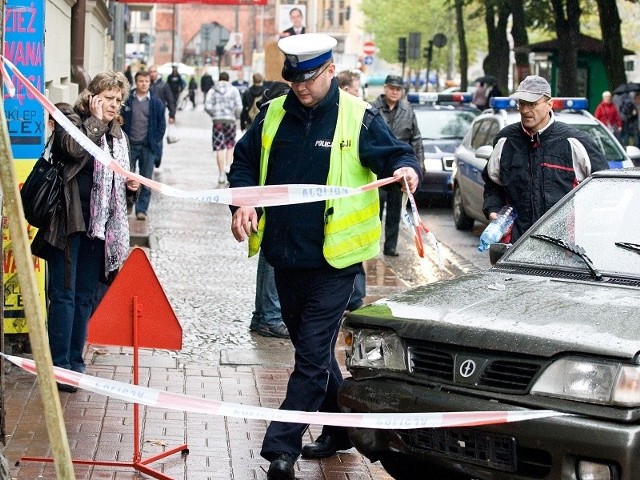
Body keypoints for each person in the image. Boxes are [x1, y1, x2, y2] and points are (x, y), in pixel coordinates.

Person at [228, 33, 421, 480]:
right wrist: (242, 202)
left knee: (311, 357)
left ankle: (280, 448)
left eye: (309, 77)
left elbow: (397, 154)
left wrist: (406, 169)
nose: (300, 86)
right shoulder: (273, 114)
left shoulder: (358, 118)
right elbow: (242, 163)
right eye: (293, 78)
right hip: (285, 257)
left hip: (335, 265)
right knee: (313, 354)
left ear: (331, 71)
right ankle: (340, 431)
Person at [30, 72, 139, 392]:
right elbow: (71, 151)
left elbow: (121, 191)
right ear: (92, 97)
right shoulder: (72, 122)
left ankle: (75, 363)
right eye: (106, 98)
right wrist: (93, 121)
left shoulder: (119, 136)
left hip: (100, 227)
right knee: (62, 296)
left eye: (117, 100)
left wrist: (130, 188)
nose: (112, 105)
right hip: (66, 223)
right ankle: (59, 364)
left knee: (84, 297)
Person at [482, 75, 609, 243]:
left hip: (563, 250)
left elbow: (605, 188)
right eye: (522, 103)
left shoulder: (575, 142)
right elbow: (493, 185)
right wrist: (493, 210)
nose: (525, 110)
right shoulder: (505, 140)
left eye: (533, 104)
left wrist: (580, 225)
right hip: (515, 248)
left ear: (550, 104)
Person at [372, 74, 424, 257]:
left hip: (401, 166)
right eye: (391, 88)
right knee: (374, 209)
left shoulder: (408, 110)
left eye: (398, 89)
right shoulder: (372, 108)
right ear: (385, 88)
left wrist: (419, 165)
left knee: (395, 209)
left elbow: (416, 138)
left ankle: (390, 247)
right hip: (378, 166)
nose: (395, 92)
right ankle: (372, 245)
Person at [337, 69, 366, 311]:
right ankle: (353, 298)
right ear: (347, 91)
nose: (360, 93)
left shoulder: (363, 115)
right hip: (343, 211)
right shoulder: (345, 118)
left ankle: (354, 297)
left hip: (357, 208)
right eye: (357, 89)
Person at [122, 70, 167, 221]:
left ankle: (142, 210)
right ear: (136, 82)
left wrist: (155, 140)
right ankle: (127, 204)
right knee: (126, 178)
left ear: (150, 83)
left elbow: (161, 124)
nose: (144, 84)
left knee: (146, 179)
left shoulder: (156, 103)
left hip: (148, 147)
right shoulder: (127, 100)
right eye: (141, 81)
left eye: (147, 81)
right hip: (129, 145)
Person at [204, 71, 243, 184]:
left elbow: (207, 106)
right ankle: (228, 167)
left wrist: (214, 114)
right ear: (228, 79)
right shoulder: (233, 90)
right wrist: (235, 116)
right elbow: (239, 106)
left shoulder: (212, 90)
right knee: (230, 145)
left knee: (219, 147)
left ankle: (221, 174)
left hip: (217, 121)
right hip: (230, 120)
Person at [148, 64, 178, 157]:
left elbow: (170, 100)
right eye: (151, 72)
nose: (152, 74)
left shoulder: (164, 85)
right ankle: (151, 156)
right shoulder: (147, 83)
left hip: (159, 115)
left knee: (159, 134)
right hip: (147, 114)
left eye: (154, 72)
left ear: (157, 72)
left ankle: (157, 156)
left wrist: (172, 115)